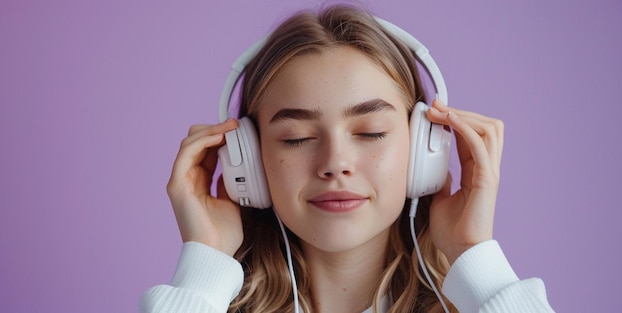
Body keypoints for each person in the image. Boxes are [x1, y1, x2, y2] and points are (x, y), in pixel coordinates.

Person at [140, 4, 554, 313]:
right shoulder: (204, 302)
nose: (336, 163)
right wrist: (203, 267)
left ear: (424, 149)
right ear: (246, 159)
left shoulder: (481, 303)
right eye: (297, 137)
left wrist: (475, 259)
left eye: (370, 132)